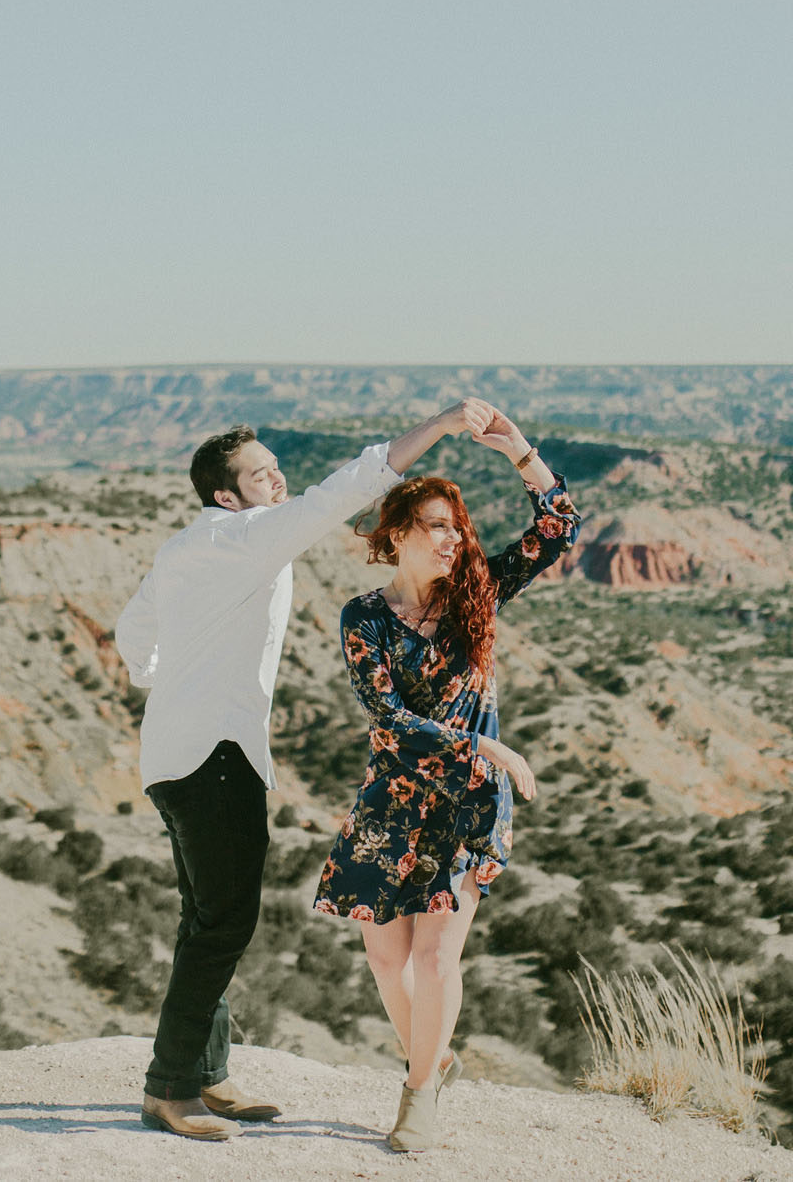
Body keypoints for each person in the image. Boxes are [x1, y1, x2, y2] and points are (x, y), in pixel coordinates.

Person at [112, 398, 493, 1142]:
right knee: (225, 923)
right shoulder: (249, 536)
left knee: (205, 915)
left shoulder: (183, 546)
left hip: (170, 751)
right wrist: (442, 425)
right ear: (227, 494)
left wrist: (171, 681)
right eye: (261, 473)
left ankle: (208, 1073)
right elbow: (344, 490)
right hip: (217, 756)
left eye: (276, 466)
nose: (277, 479)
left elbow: (135, 632)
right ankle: (169, 1087)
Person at [310, 403, 580, 1153]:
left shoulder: (479, 596)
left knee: (435, 957)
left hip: (465, 808)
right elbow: (387, 718)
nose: (453, 535)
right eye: (436, 523)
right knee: (386, 958)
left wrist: (519, 450)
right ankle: (436, 1055)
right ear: (396, 533)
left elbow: (558, 526)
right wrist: (489, 746)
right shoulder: (363, 618)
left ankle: (419, 1092)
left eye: (457, 524)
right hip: (391, 800)